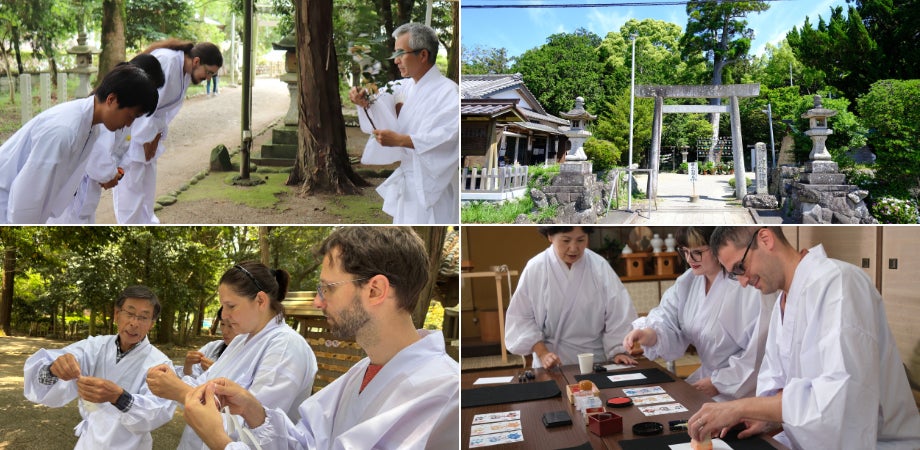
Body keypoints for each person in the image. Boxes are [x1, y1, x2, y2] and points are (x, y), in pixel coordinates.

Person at [182, 227, 459, 449]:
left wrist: (220, 442)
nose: (318, 301)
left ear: (375, 290)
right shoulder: (359, 374)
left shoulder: (442, 392)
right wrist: (255, 413)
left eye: (328, 288)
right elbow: (306, 443)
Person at [688, 226, 920, 449]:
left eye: (740, 267)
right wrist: (765, 418)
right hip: (804, 440)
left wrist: (738, 408)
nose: (743, 281)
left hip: (872, 443)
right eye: (733, 275)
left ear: (765, 239)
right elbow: (781, 388)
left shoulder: (838, 283)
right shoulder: (782, 300)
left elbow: (839, 397)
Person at [145, 261, 316, 449]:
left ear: (260, 300)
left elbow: (256, 428)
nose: (224, 315)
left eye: (231, 306)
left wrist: (180, 391)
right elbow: (205, 383)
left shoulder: (287, 347)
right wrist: (172, 379)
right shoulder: (240, 340)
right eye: (223, 307)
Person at [623, 227, 774, 401]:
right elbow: (667, 319)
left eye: (697, 252)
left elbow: (758, 352)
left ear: (718, 247)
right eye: (685, 251)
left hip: (744, 387)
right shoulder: (688, 281)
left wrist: (719, 382)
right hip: (707, 381)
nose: (689, 259)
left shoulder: (746, 286)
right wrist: (647, 334)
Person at [0, 64, 159, 224]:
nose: (129, 124)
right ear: (111, 99)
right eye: (130, 116)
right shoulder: (65, 132)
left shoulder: (91, 126)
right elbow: (27, 197)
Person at [22, 286, 176, 449]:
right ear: (117, 315)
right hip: (89, 441)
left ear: (152, 323)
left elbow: (159, 410)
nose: (134, 323)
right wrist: (53, 368)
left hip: (130, 445)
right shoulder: (95, 346)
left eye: (143, 317)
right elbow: (48, 364)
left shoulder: (160, 363)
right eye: (129, 314)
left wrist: (120, 397)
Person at [348, 23, 459, 224]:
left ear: (423, 55)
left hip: (433, 185)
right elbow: (381, 99)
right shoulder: (403, 87)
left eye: (401, 53)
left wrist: (403, 140)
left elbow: (448, 137)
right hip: (408, 182)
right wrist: (365, 99)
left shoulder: (449, 92)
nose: (397, 60)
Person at [113, 39, 223, 224]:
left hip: (151, 132)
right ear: (196, 61)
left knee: (146, 190)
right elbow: (144, 101)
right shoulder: (167, 61)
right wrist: (146, 139)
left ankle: (148, 223)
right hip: (134, 128)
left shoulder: (186, 73)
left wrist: (156, 138)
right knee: (130, 190)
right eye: (209, 72)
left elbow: (166, 112)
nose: (209, 78)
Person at [48, 54, 166, 224]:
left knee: (85, 217)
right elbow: (97, 156)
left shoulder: (124, 116)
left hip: (91, 190)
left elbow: (124, 148)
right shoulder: (100, 118)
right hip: (75, 190)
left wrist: (118, 171)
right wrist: (109, 174)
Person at [505, 226, 638, 369]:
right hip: (551, 361)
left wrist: (618, 351)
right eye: (566, 240)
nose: (574, 248)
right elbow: (522, 318)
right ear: (550, 236)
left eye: (581, 240)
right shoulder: (536, 268)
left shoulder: (599, 266)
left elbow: (619, 313)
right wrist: (543, 353)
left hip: (595, 360)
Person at [176, 307, 238, 378]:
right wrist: (188, 366)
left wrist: (216, 372)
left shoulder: (249, 356)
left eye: (231, 326)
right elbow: (191, 379)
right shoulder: (213, 347)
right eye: (222, 324)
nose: (225, 331)